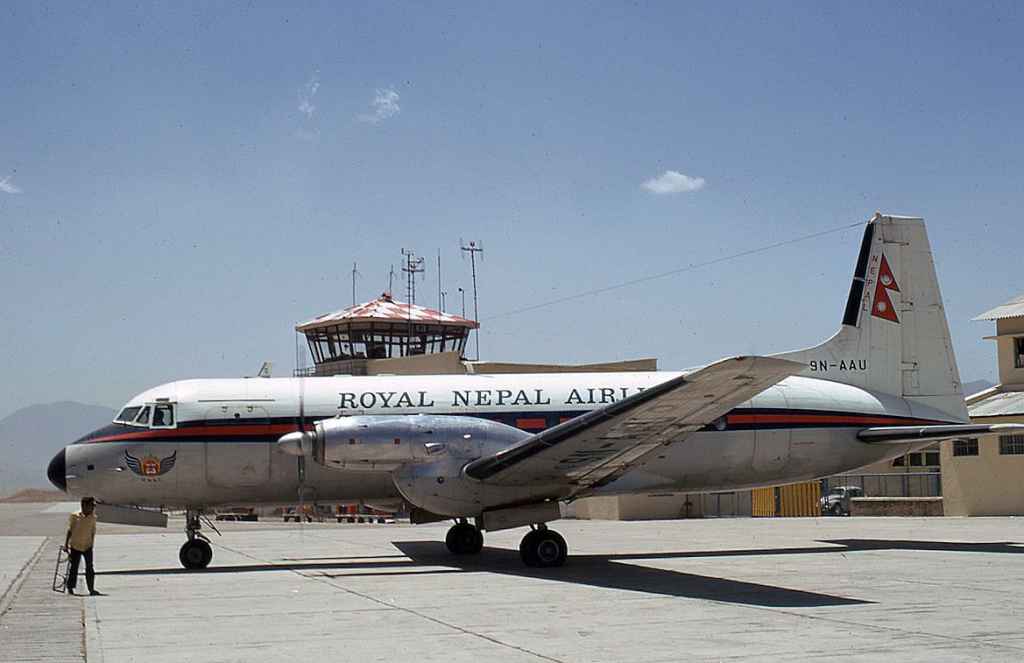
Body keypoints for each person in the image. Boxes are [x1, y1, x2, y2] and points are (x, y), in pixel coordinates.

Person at [64, 496, 99, 596]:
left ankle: (91, 589)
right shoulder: (75, 516)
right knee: (73, 568)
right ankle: (70, 587)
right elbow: (70, 530)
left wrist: (92, 544)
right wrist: (66, 544)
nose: (93, 508)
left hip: (87, 546)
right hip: (75, 545)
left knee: (90, 568)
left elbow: (93, 531)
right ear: (84, 505)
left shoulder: (93, 517)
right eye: (91, 506)